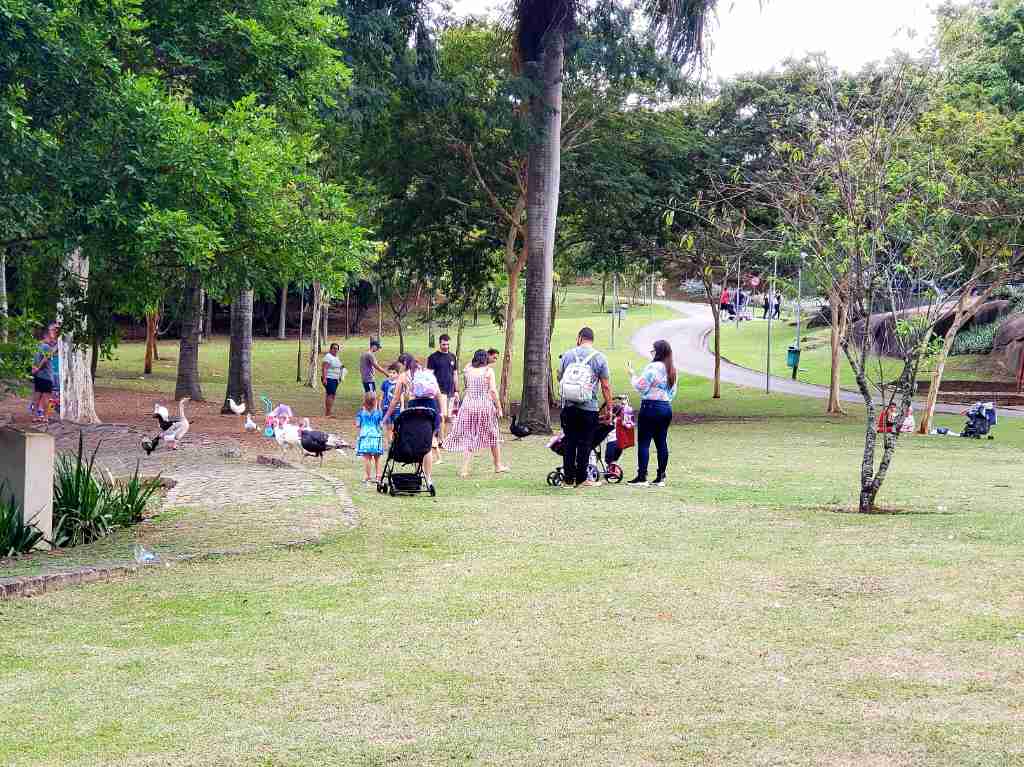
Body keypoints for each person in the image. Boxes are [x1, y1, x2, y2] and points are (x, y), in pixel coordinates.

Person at [557, 327, 613, 488]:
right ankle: (581, 479)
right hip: (589, 408)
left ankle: (568, 480)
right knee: (585, 443)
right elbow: (605, 386)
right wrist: (609, 407)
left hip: (568, 406)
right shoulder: (600, 358)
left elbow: (560, 377)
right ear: (591, 339)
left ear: (579, 337)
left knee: (569, 442)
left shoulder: (567, 355)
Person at [443, 349, 508, 478]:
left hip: (468, 405)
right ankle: (497, 465)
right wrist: (499, 407)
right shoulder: (488, 371)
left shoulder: (468, 368)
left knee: (469, 436)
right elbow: (493, 391)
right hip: (483, 405)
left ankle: (464, 469)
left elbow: (467, 385)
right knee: (493, 433)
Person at [626, 339, 678, 487]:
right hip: (665, 407)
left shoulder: (652, 368)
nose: (651, 353)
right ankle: (661, 476)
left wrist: (632, 375)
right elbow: (672, 392)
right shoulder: (672, 369)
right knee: (661, 442)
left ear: (658, 352)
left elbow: (641, 386)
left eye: (653, 350)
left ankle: (642, 477)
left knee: (644, 443)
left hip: (650, 407)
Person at [384, 353, 439, 488]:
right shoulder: (427, 373)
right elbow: (437, 392)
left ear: (404, 364)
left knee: (416, 441)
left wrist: (386, 416)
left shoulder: (403, 376)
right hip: (430, 408)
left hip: (415, 408)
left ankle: (417, 473)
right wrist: (442, 412)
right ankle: (428, 478)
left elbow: (395, 399)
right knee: (428, 444)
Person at [427, 334, 458, 438]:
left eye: (448, 344)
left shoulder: (452, 356)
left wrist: (456, 390)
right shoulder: (433, 357)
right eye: (444, 344)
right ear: (439, 343)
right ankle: (440, 439)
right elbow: (429, 375)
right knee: (442, 415)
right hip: (440, 391)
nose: (446, 347)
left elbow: (455, 374)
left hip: (451, 391)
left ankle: (446, 438)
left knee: (449, 416)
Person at [30, 324, 58, 423]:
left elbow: (34, 360)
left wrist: (34, 369)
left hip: (38, 376)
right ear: (46, 336)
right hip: (46, 376)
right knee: (46, 397)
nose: (52, 338)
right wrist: (38, 368)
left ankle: (34, 416)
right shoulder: (47, 347)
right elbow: (46, 359)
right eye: (51, 335)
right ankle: (45, 417)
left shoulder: (37, 346)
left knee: (36, 397)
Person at [355, 391, 384, 485]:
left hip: (365, 436)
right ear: (375, 402)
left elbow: (358, 425)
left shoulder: (360, 413)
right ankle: (378, 476)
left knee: (367, 458)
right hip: (376, 436)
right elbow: (381, 425)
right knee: (377, 458)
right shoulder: (379, 413)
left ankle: (367, 476)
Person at [381, 361, 402, 445]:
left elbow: (401, 396)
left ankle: (395, 440)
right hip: (386, 407)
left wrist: (402, 406)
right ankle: (390, 442)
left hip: (397, 408)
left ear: (397, 374)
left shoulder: (399, 383)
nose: (391, 374)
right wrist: (380, 405)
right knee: (388, 425)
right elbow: (382, 395)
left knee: (395, 425)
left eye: (394, 373)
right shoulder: (385, 383)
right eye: (390, 372)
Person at [321, 342, 344, 417]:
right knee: (330, 395)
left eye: (337, 349)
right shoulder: (328, 357)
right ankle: (328, 413)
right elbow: (324, 368)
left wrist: (341, 374)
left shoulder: (336, 357)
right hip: (329, 378)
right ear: (330, 349)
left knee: (332, 395)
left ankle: (329, 412)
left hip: (335, 379)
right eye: (334, 348)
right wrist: (324, 379)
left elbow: (340, 366)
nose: (335, 350)